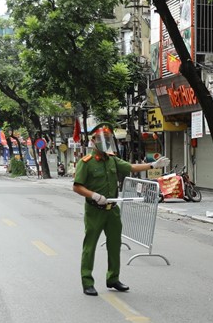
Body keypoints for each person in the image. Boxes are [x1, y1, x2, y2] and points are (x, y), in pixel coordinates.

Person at [73, 122, 170, 296]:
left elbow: (131, 167)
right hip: (95, 210)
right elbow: (77, 186)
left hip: (112, 210)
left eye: (108, 138)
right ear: (93, 140)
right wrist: (94, 195)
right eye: (102, 138)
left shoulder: (112, 160)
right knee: (90, 246)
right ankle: (87, 281)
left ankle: (113, 279)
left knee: (114, 245)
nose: (105, 141)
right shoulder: (85, 163)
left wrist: (153, 165)